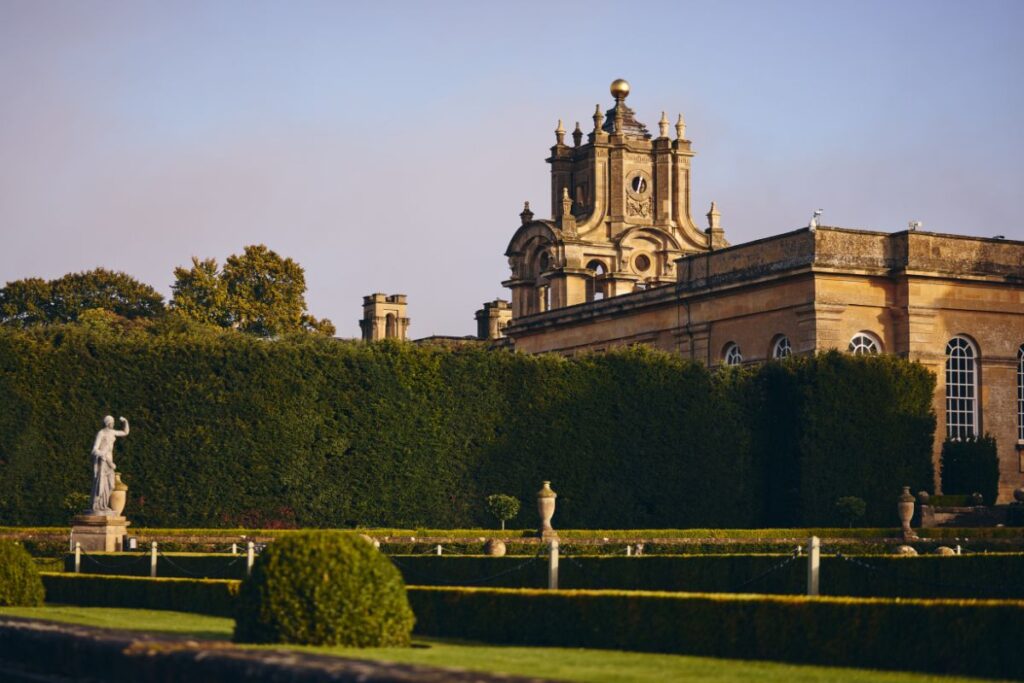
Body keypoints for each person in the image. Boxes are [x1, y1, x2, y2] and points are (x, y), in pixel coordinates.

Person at [90, 415, 129, 515]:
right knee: (101, 484)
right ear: (107, 423)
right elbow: (94, 450)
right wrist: (102, 454)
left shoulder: (112, 432)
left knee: (110, 485)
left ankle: (104, 505)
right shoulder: (101, 433)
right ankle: (97, 506)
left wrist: (125, 422)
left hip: (110, 461)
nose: (113, 424)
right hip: (103, 461)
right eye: (111, 422)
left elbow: (125, 432)